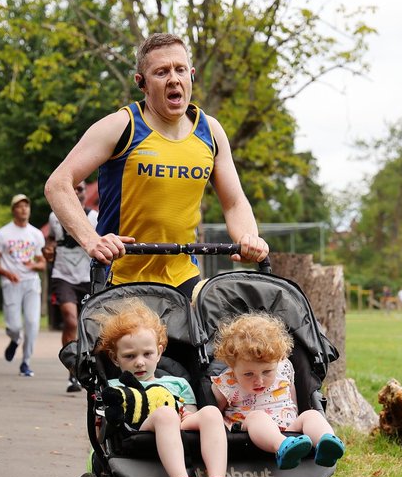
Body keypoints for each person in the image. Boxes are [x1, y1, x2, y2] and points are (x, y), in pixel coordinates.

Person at [43, 32, 268, 299]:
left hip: (183, 277)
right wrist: (91, 240)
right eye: (161, 72)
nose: (173, 79)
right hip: (122, 278)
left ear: (191, 75)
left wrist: (248, 237)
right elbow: (58, 184)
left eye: (180, 70)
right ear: (142, 83)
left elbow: (234, 202)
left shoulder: (210, 131)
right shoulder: (121, 126)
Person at [95, 298, 233, 477]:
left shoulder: (177, 383)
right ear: (115, 359)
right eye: (130, 356)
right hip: (137, 431)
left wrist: (188, 414)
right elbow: (102, 428)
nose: (139, 362)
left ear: (159, 352)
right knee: (166, 414)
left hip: (180, 426)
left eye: (147, 354)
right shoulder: (114, 386)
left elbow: (191, 414)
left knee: (211, 413)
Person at [210, 312, 345, 469]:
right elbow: (214, 415)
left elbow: (292, 400)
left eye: (267, 372)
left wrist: (298, 419)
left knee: (311, 415)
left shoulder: (284, 368)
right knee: (257, 417)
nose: (259, 381)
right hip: (250, 433)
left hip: (290, 430)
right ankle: (282, 448)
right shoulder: (227, 383)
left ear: (278, 361)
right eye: (248, 374)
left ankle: (325, 443)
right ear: (232, 367)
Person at [46, 181, 98, 392]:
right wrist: (48, 250)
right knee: (69, 319)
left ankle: (90, 368)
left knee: (90, 326)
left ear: (86, 193)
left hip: (87, 276)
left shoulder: (94, 218)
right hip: (63, 275)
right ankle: (72, 372)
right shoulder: (54, 217)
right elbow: (51, 241)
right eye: (73, 188)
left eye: (80, 189)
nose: (76, 192)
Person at [0, 194, 47, 377]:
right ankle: (15, 339)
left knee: (32, 323)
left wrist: (34, 266)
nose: (24, 209)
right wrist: (7, 273)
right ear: (13, 210)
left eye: (26, 206)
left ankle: (26, 362)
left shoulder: (36, 234)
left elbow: (42, 263)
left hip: (31, 283)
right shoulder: (3, 234)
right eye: (20, 206)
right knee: (14, 326)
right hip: (11, 283)